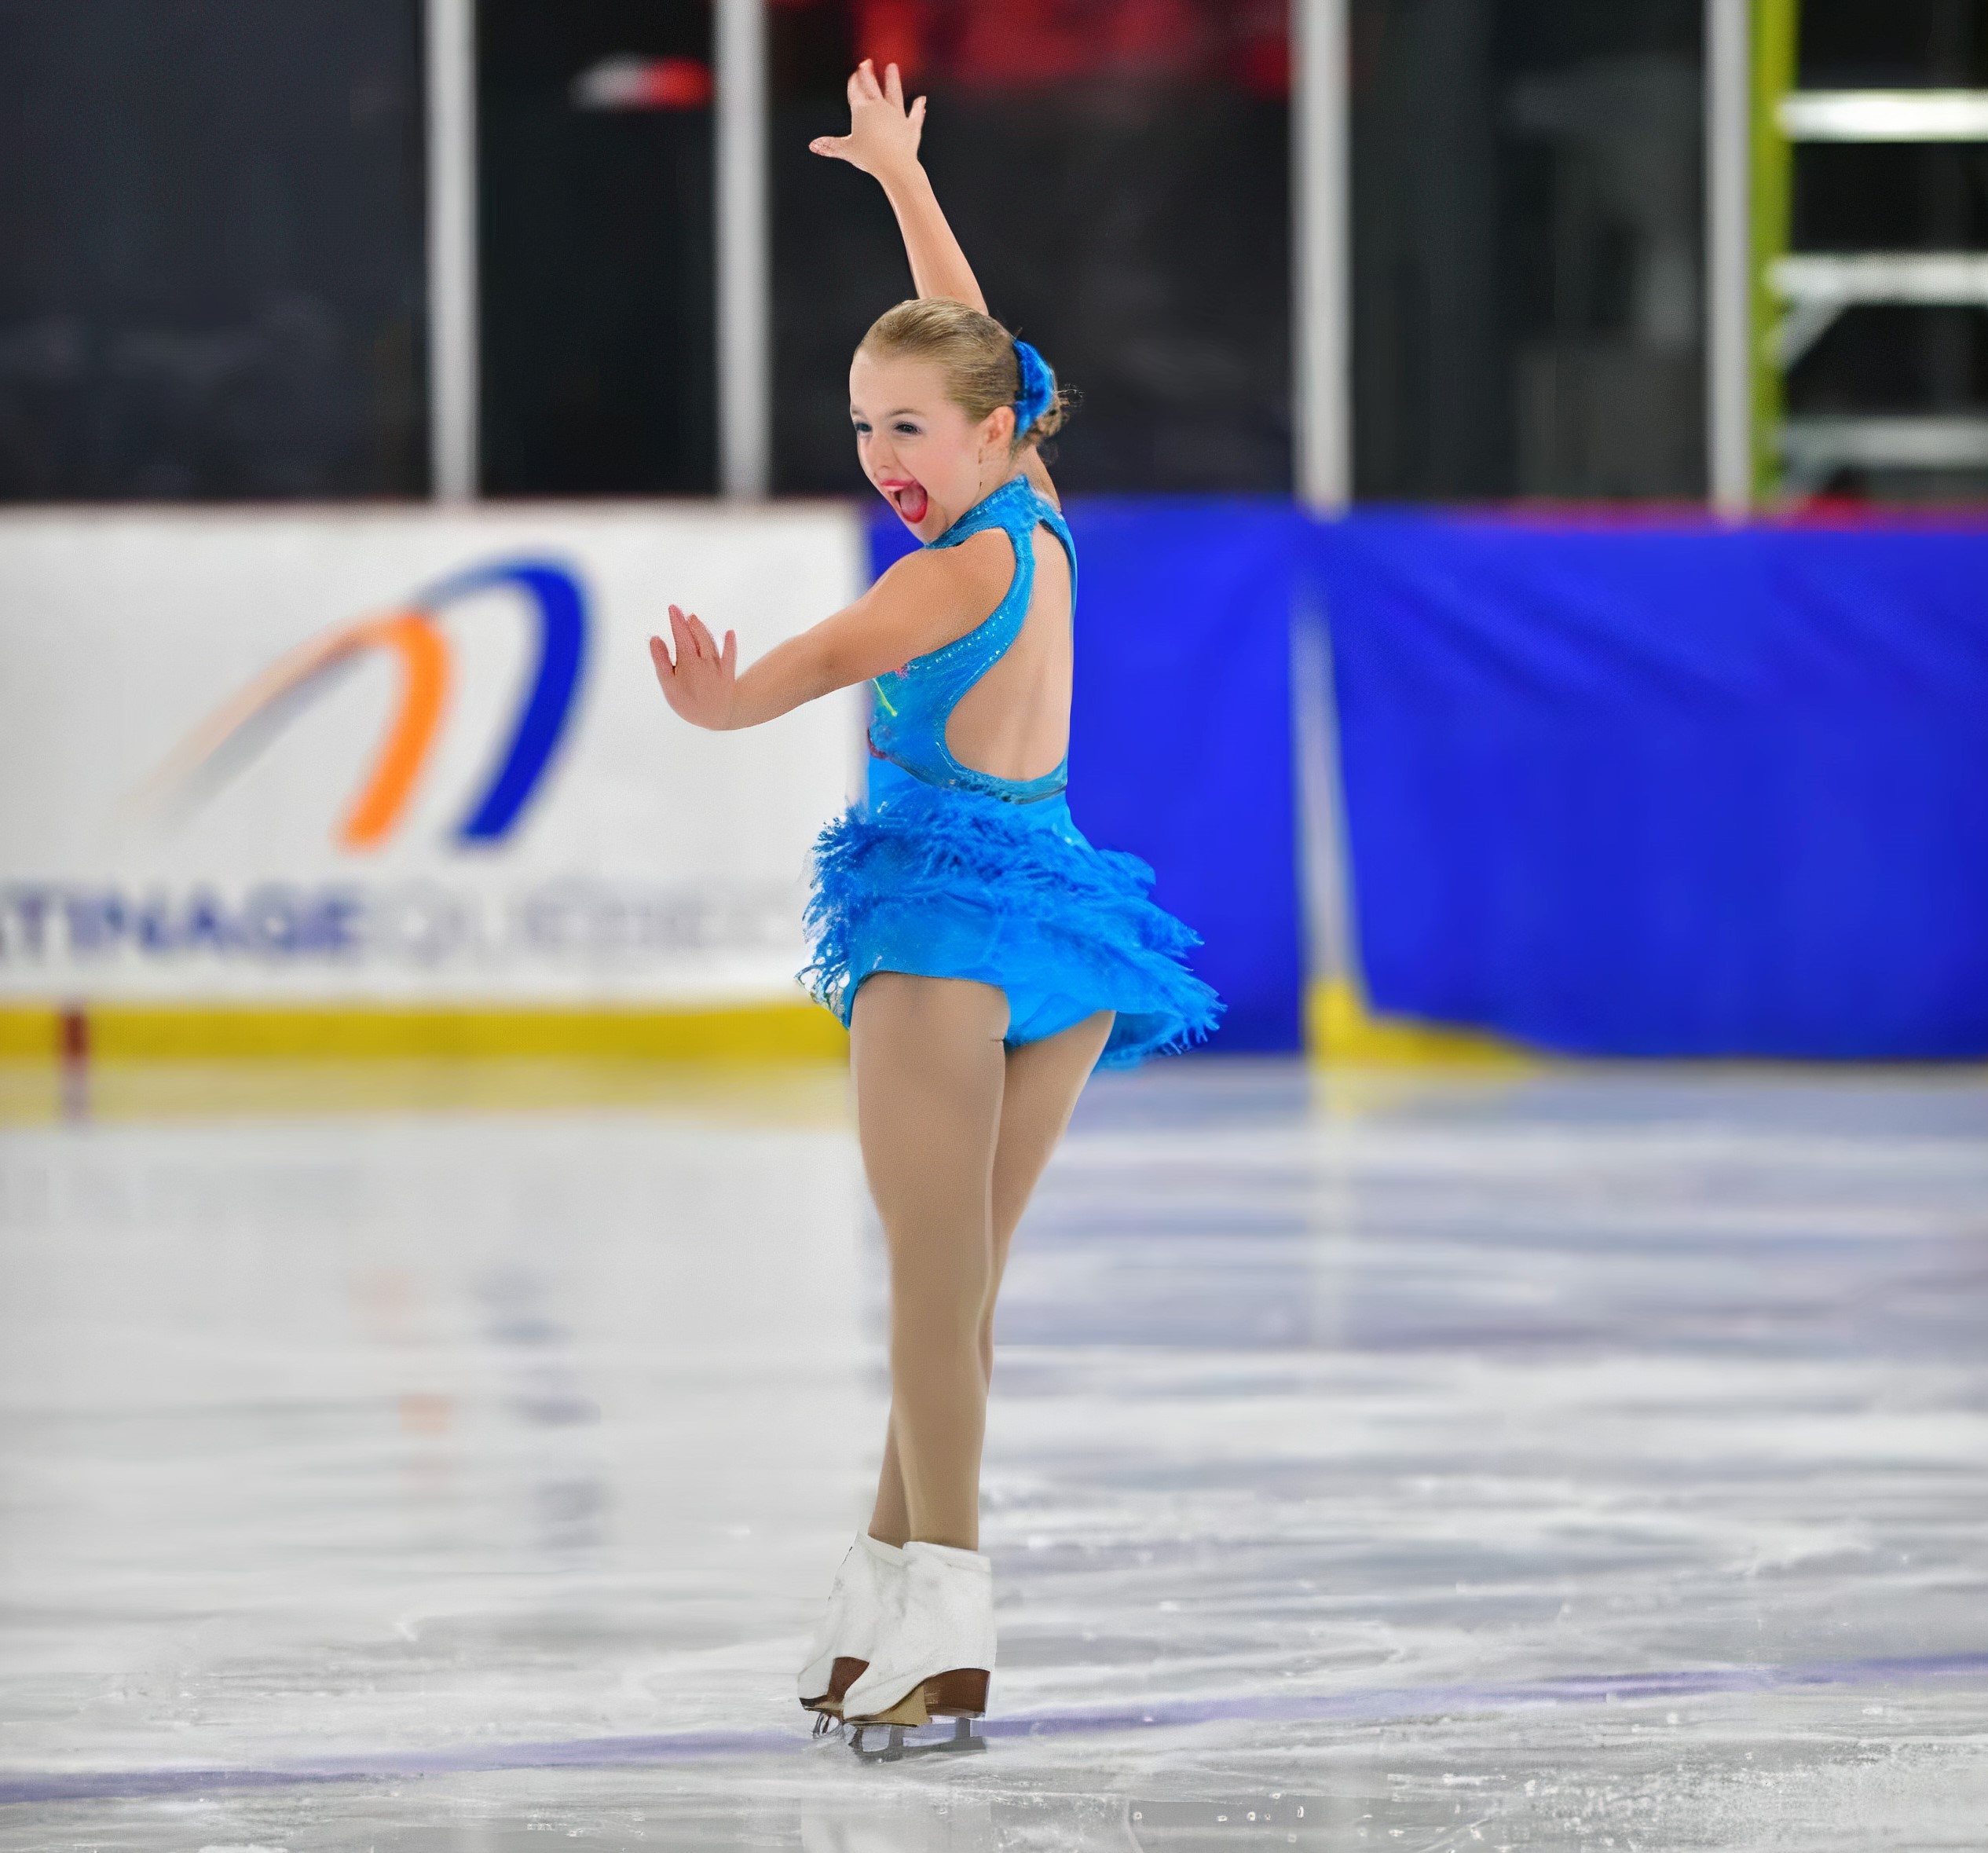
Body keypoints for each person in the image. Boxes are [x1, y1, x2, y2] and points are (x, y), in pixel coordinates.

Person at [648, 58, 1219, 1732]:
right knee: (955, 1297)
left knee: (924, 1299)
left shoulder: (935, 576)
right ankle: (885, 1584)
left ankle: (946, 1617)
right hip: (1068, 931)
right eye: (860, 426)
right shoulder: (1027, 497)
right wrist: (903, 183)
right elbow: (967, 335)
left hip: (944, 937)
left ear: (982, 431)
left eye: (907, 427)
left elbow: (801, 669)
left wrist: (718, 704)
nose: (882, 452)